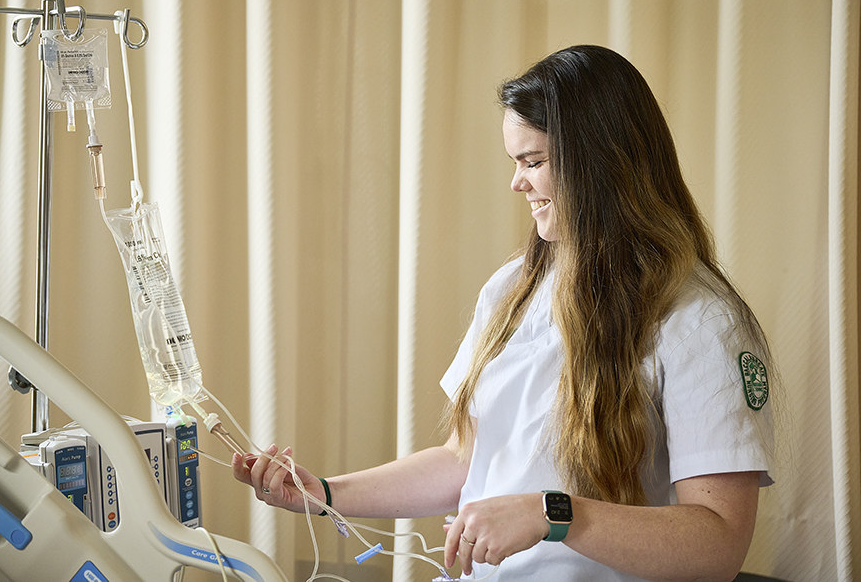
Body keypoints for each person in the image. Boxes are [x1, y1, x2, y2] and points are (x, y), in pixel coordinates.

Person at [232, 44, 774, 582]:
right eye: (516, 162)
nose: (518, 182)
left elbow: (718, 543)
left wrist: (556, 514)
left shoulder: (702, 321)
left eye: (534, 162)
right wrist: (322, 494)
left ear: (602, 163)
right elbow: (464, 458)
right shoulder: (513, 288)